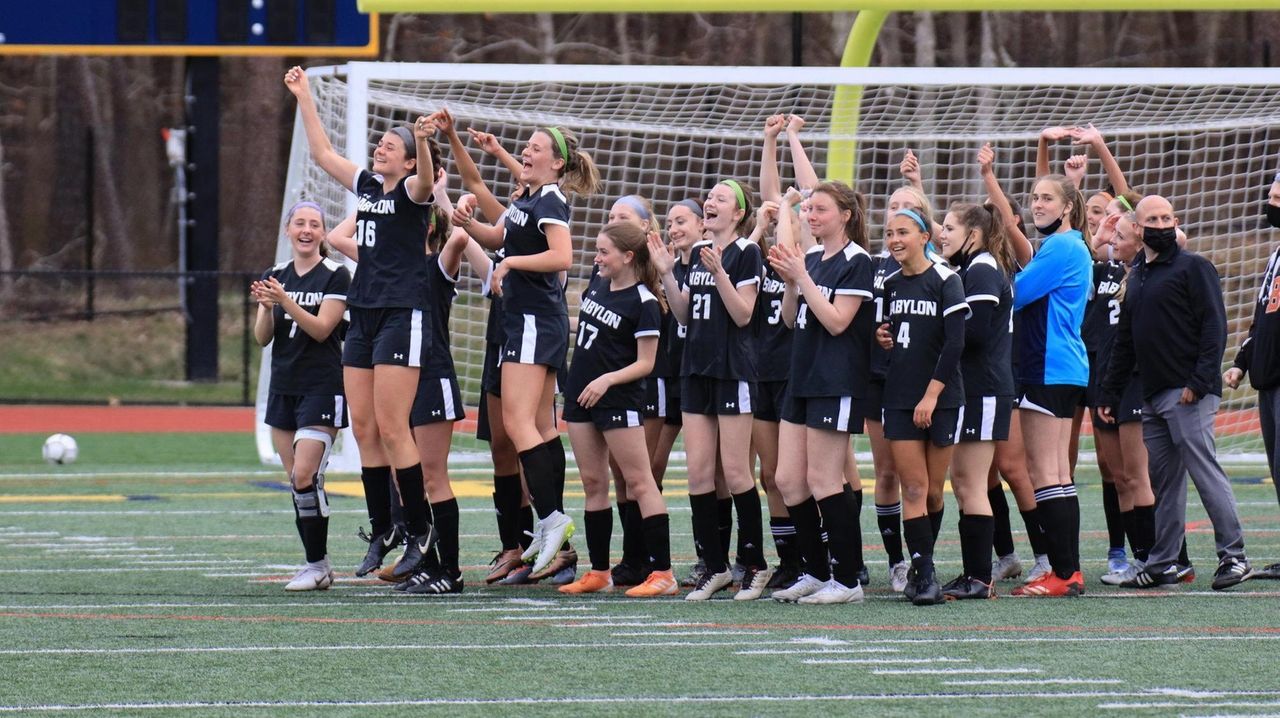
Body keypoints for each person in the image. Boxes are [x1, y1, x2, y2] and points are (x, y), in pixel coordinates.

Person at [284, 66, 439, 581]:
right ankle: (383, 528)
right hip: (364, 314)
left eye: (391, 145)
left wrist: (421, 139)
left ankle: (420, 530)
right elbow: (325, 155)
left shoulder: (414, 192)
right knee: (366, 430)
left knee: (396, 428)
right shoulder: (370, 185)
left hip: (402, 314)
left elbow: (424, 179)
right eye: (382, 143)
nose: (380, 148)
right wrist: (305, 96)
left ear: (410, 159)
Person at [453, 124, 600, 579]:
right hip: (525, 320)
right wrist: (467, 225)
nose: (526, 152)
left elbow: (562, 258)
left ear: (556, 162)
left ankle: (553, 519)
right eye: (527, 146)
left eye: (536, 148)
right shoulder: (527, 198)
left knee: (517, 424)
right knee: (537, 424)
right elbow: (499, 239)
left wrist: (513, 264)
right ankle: (548, 525)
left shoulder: (551, 198)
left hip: (536, 320)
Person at [1101, 195, 1255, 591]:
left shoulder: (1194, 267)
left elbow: (1213, 327)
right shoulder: (1138, 275)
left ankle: (1234, 556)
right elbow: (1126, 342)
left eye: (1167, 217)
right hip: (1152, 395)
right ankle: (1163, 562)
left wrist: (1198, 383)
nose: (1161, 224)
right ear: (1138, 227)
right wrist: (1110, 391)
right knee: (1164, 481)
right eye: (1152, 218)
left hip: (1187, 393)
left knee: (1204, 470)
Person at [650, 179, 769, 601]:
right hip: (695, 371)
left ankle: (754, 564)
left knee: (736, 472)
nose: (711, 202)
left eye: (720, 198)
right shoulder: (700, 256)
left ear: (737, 213)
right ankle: (714, 567)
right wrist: (666, 274)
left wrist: (720, 274)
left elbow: (743, 314)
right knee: (699, 472)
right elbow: (683, 315)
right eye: (710, 197)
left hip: (732, 371)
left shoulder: (746, 253)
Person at [766, 181, 874, 604]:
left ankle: (847, 580)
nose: (811, 216)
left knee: (824, 479)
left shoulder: (857, 261)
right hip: (803, 377)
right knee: (788, 479)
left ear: (845, 215)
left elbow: (837, 321)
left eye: (821, 209)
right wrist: (792, 282)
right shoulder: (812, 258)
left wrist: (802, 277)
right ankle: (814, 571)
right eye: (808, 209)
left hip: (837, 380)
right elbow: (791, 320)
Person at [558, 222, 678, 597]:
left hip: (617, 399)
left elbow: (646, 362)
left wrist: (607, 380)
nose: (597, 258)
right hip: (581, 395)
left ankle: (663, 573)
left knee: (640, 482)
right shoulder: (598, 282)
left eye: (604, 252)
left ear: (628, 257)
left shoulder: (644, 302)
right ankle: (598, 572)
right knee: (594, 484)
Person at [252, 201, 350, 591]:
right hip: (284, 387)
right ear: (287, 230)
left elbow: (323, 329)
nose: (307, 230)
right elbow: (263, 338)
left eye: (314, 224)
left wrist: (285, 301)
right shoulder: (275, 274)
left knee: (306, 474)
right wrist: (265, 308)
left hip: (321, 386)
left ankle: (314, 565)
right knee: (297, 482)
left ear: (324, 234)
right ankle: (320, 564)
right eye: (299, 223)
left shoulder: (335, 275)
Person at [876, 207, 968, 606]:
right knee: (911, 486)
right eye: (890, 233)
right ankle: (924, 573)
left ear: (922, 237)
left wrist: (931, 395)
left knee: (932, 491)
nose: (895, 240)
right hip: (898, 396)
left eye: (903, 232)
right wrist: (883, 337)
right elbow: (893, 333)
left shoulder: (947, 279)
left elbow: (955, 343)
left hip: (942, 399)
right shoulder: (891, 283)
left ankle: (922, 566)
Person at [1007, 174, 1092, 598]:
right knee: (1058, 474)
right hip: (1065, 367)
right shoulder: (1071, 245)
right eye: (1035, 197)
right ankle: (1067, 570)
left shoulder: (1061, 246)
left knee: (1045, 473)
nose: (1037, 204)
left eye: (1047, 199)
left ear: (1067, 208)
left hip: (1047, 367)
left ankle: (1063, 572)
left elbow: (1016, 293)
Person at [937, 202, 1016, 600]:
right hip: (973, 388)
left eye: (950, 227)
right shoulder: (970, 269)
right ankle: (975, 574)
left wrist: (934, 330)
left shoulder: (983, 268)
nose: (942, 234)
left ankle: (980, 578)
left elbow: (978, 333)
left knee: (971, 483)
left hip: (984, 388)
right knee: (965, 481)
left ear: (975, 234)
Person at [1224, 172, 1280, 580]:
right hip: (1269, 376)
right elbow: (1263, 317)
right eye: (1271, 195)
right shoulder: (1276, 254)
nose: (1271, 202)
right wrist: (1243, 362)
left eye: (1278, 196)